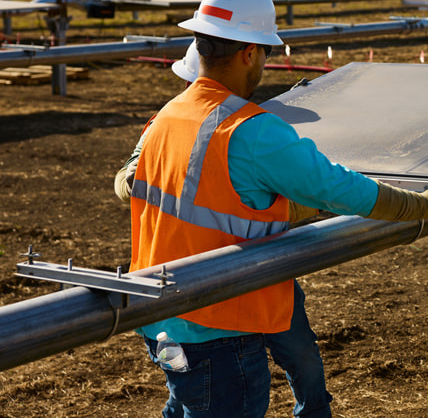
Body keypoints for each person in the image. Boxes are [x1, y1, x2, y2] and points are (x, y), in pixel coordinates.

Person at [128, 0, 428, 418]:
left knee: (188, 404)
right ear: (250, 52)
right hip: (221, 327)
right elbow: (350, 192)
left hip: (163, 318)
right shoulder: (251, 130)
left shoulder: (168, 117)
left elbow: (196, 199)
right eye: (265, 54)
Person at [115, 40, 325, 417]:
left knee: (297, 353)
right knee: (203, 379)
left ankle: (314, 410)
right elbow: (127, 178)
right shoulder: (166, 124)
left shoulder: (245, 127)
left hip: (265, 267)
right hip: (207, 282)